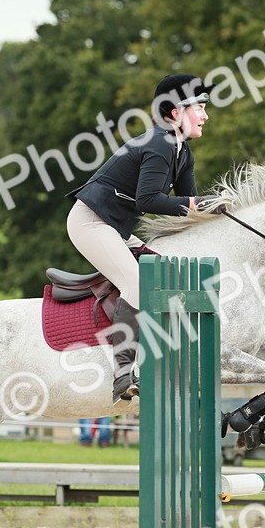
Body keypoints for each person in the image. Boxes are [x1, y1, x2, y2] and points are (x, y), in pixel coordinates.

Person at [66, 73, 215, 402]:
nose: (205, 115)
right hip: (90, 221)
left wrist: (219, 207)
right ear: (176, 112)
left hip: (116, 227)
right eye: (200, 107)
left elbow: (189, 207)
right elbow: (149, 200)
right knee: (136, 280)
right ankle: (122, 371)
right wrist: (199, 204)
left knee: (164, 269)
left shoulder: (181, 151)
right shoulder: (160, 144)